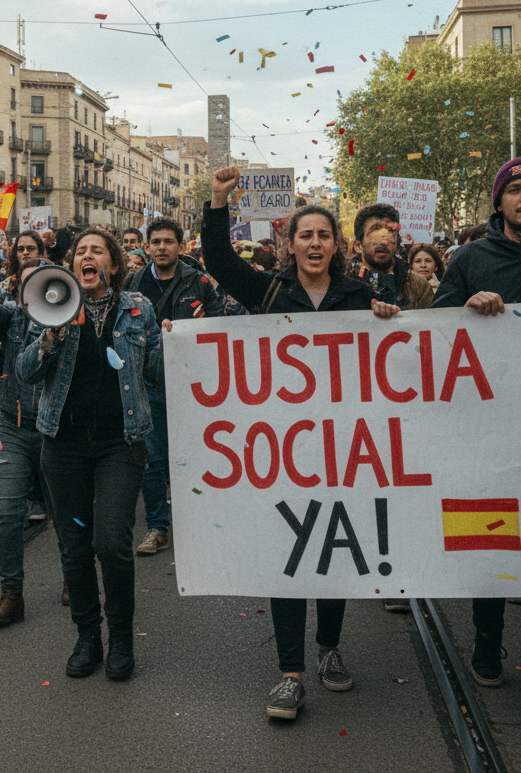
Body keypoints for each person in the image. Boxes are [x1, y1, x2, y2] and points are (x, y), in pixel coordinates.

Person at [201, 166, 400, 720]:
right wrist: (219, 201)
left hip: (342, 450)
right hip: (282, 451)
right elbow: (217, 262)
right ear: (289, 244)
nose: (314, 244)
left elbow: (394, 361)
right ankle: (290, 672)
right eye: (305, 235)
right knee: (288, 554)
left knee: (334, 549)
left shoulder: (362, 295)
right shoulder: (268, 291)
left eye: (324, 235)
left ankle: (328, 648)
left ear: (338, 245)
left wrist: (388, 319)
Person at [431, 157, 521, 724]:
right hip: (487, 429)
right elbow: (432, 325)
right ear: (499, 202)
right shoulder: (471, 259)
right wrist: (464, 308)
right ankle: (486, 636)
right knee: (493, 535)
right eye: (515, 190)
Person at [17, 229, 163, 682]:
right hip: (64, 443)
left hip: (120, 442)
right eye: (80, 251)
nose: (87, 256)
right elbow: (25, 372)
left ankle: (121, 636)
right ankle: (87, 635)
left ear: (113, 265)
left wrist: (173, 342)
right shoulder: (50, 305)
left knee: (111, 541)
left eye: (97, 251)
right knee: (74, 545)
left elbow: (158, 370)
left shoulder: (139, 310)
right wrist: (49, 336)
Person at [125, 216, 245, 559]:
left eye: (168, 242)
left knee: (198, 458)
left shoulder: (200, 282)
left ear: (180, 246)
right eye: (156, 242)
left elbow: (220, 326)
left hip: (194, 388)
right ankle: (157, 528)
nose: (161, 247)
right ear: (148, 247)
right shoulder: (133, 284)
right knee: (153, 460)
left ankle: (204, 525)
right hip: (149, 385)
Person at [0, 254, 49, 624]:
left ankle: (74, 580)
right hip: (11, 426)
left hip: (54, 429)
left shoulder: (72, 318)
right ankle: (11, 592)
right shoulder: (12, 318)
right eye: (27, 283)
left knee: (67, 513)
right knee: (6, 509)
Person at [348, 203, 434, 311]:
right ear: (358, 246)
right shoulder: (342, 285)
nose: (384, 241)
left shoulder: (419, 285)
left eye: (390, 233)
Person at [0, 232, 46, 304]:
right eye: (21, 249)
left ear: (40, 252)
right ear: (16, 254)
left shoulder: (50, 279)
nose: (25, 252)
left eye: (31, 248)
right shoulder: (5, 286)